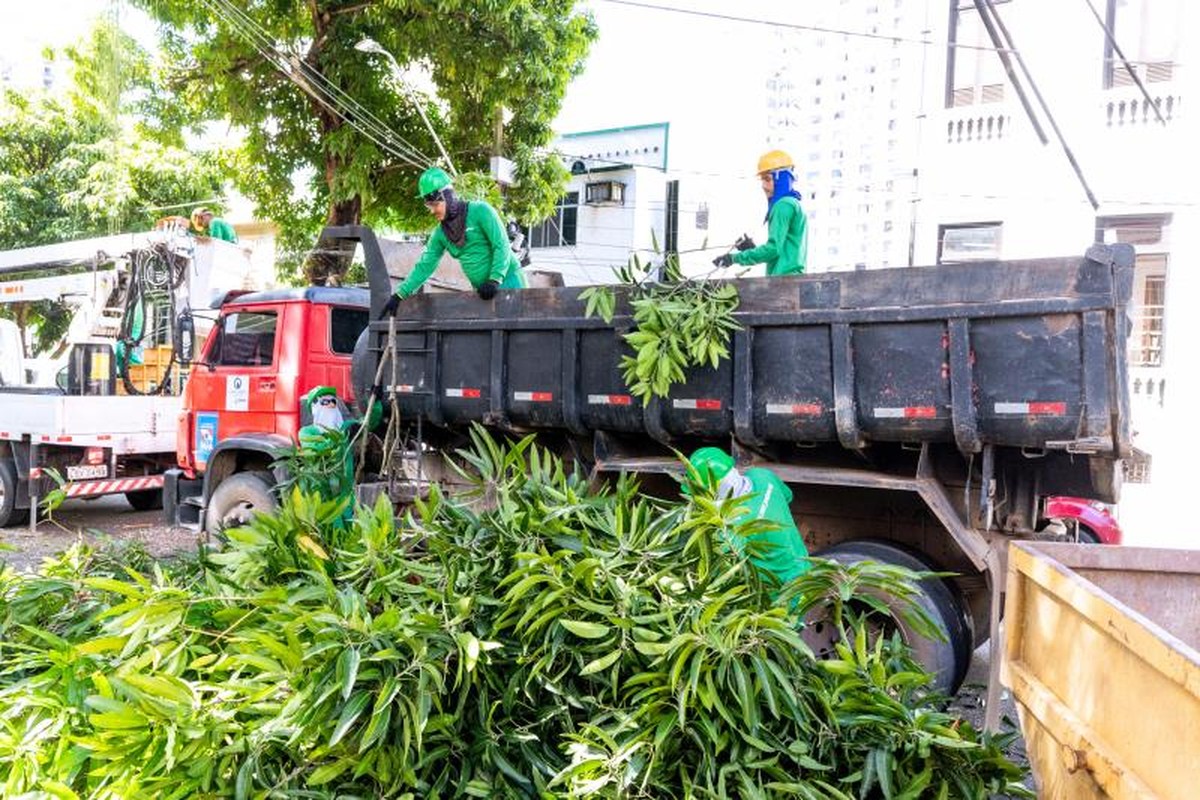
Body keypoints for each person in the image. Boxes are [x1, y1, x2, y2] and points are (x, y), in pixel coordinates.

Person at [379, 167, 526, 317]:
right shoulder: (440, 234)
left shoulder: (481, 211)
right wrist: (399, 295)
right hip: (483, 291)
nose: (432, 211)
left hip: (509, 280)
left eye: (435, 204)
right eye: (429, 206)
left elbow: (500, 245)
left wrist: (495, 279)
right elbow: (425, 266)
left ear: (447, 196)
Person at [688, 446, 810, 587]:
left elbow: (720, 571)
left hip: (782, 594)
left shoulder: (732, 528)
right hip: (805, 568)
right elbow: (788, 497)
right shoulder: (763, 476)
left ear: (711, 491)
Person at [295, 385, 383, 523]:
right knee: (325, 522)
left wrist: (374, 401)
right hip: (321, 489)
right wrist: (339, 438)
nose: (330, 405)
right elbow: (316, 451)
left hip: (344, 488)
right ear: (315, 406)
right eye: (325, 402)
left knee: (346, 522)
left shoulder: (345, 427)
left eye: (333, 401)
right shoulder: (307, 432)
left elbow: (368, 423)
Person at [712, 150, 807, 275]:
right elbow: (780, 252)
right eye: (762, 180)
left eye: (767, 179)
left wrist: (734, 258)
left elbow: (773, 249)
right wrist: (752, 250)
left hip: (784, 281)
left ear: (782, 179)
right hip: (790, 279)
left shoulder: (783, 205)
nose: (763, 185)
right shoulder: (793, 204)